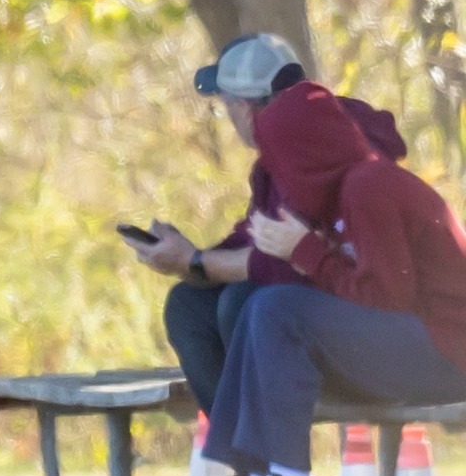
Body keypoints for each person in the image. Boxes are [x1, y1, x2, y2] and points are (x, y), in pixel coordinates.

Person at [178, 81, 466, 476]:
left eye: (283, 161)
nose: (282, 177)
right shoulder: (340, 191)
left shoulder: (368, 187)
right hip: (416, 345)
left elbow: (386, 301)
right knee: (257, 305)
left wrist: (307, 252)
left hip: (448, 354)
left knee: (277, 309)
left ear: (308, 154)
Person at [124, 33, 406, 413]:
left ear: (242, 107)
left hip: (382, 338)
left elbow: (285, 261)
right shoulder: (277, 161)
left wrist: (193, 263)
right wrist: (188, 257)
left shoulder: (324, 144)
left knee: (246, 301)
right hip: (334, 323)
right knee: (189, 305)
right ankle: (240, 454)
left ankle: (270, 457)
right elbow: (256, 241)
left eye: (224, 104)